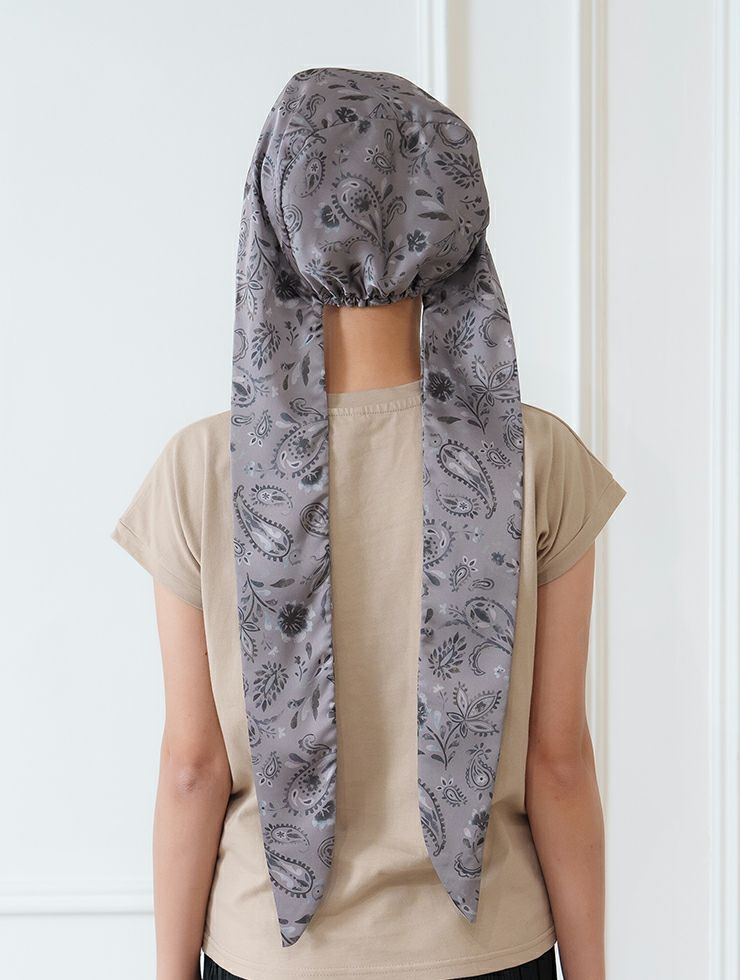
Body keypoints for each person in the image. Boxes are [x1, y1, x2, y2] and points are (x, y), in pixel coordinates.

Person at [111, 68, 626, 980]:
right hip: (487, 953)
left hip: (271, 953)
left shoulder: (199, 468)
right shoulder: (537, 458)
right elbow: (559, 763)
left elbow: (191, 768)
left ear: (279, 218)